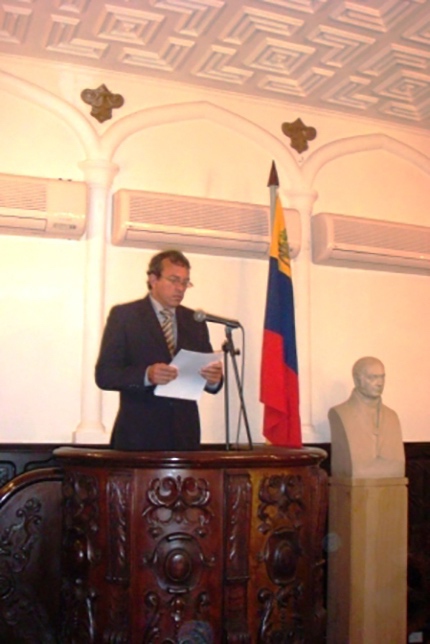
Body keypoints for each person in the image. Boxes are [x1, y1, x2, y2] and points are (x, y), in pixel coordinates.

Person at [95, 249, 223, 451]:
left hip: (185, 436)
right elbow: (105, 375)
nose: (180, 288)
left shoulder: (194, 321)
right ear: (153, 279)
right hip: (138, 435)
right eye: (174, 280)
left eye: (185, 282)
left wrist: (213, 380)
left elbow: (206, 373)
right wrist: (147, 375)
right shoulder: (125, 316)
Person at [328, 356, 405, 478]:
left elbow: (397, 466)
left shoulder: (392, 416)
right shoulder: (340, 413)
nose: (380, 383)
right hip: (354, 486)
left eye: (382, 377)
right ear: (357, 379)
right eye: (373, 377)